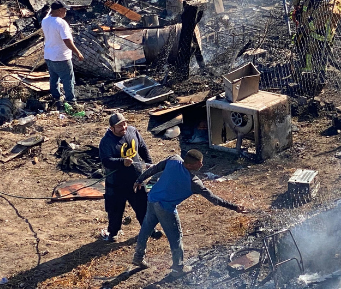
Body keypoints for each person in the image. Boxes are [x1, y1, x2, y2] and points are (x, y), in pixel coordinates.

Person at [131, 149, 246, 277]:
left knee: (146, 228)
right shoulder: (194, 182)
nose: (201, 165)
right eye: (199, 164)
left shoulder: (173, 159)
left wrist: (139, 179)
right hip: (165, 208)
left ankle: (138, 257)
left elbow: (156, 168)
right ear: (190, 165)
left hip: (152, 199)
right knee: (176, 237)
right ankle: (178, 268)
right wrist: (234, 207)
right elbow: (214, 199)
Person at [99, 113, 163, 242]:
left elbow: (142, 147)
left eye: (124, 124)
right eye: (119, 126)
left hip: (136, 179)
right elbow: (106, 161)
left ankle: (149, 229)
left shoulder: (132, 131)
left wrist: (148, 162)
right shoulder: (106, 141)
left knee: (142, 206)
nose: (124, 128)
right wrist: (121, 161)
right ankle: (113, 233)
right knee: (115, 210)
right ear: (112, 128)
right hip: (116, 183)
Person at [41, 0, 84, 108]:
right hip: (61, 56)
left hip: (49, 55)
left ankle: (56, 99)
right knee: (68, 79)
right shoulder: (61, 23)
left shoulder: (45, 20)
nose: (66, 12)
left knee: (53, 78)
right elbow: (67, 40)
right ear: (59, 10)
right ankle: (71, 101)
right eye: (64, 10)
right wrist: (77, 52)